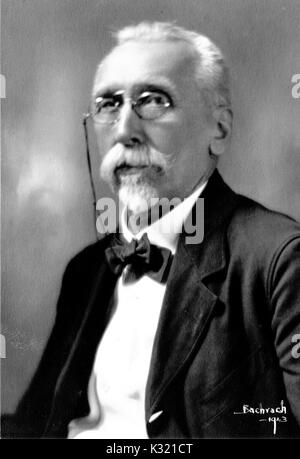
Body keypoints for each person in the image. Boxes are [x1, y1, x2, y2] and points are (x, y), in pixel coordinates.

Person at [2, 21, 300, 439]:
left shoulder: (278, 260)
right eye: (108, 104)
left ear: (219, 129)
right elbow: (34, 425)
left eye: (153, 100)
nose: (124, 130)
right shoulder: (87, 270)